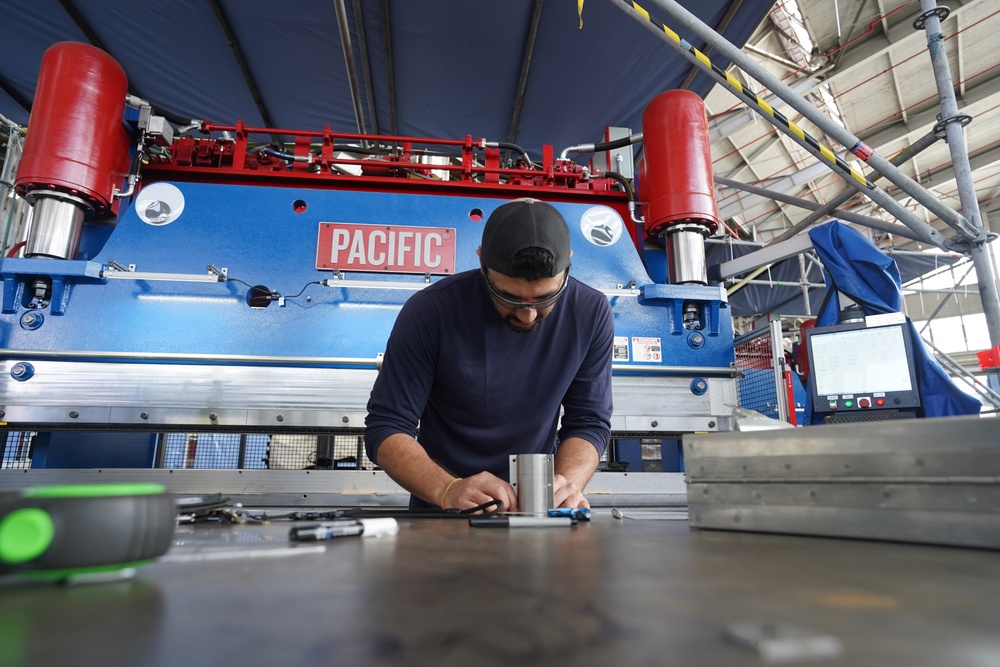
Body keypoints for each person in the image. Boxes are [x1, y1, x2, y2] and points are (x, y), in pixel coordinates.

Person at [364, 197, 614, 511]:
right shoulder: (430, 311)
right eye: (508, 297)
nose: (528, 316)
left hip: (536, 514)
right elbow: (386, 427)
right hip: (442, 516)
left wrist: (565, 485)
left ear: (568, 266)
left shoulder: (591, 312)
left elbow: (588, 422)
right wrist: (449, 489)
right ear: (482, 263)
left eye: (545, 299)